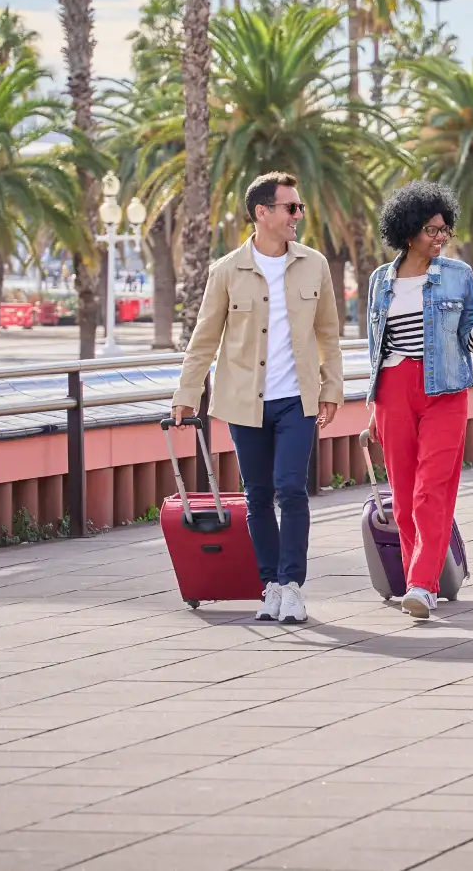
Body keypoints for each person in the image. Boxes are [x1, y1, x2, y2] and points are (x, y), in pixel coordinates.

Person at [173, 172, 344, 624]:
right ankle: (269, 584)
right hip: (244, 401)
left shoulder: (315, 265)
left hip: (297, 400)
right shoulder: (226, 270)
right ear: (262, 213)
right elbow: (204, 337)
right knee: (257, 495)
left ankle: (292, 585)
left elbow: (328, 334)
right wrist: (186, 394)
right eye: (290, 208)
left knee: (291, 488)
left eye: (299, 207)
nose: (298, 216)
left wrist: (332, 387)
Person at [366, 181, 473, 620]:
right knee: (405, 499)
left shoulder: (458, 276)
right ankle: (417, 580)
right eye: (431, 229)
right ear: (408, 232)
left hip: (444, 390)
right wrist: (372, 408)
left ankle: (422, 585)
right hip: (392, 392)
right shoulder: (380, 281)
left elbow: (472, 341)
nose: (440, 237)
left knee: (432, 491)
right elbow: (376, 349)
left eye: (445, 229)